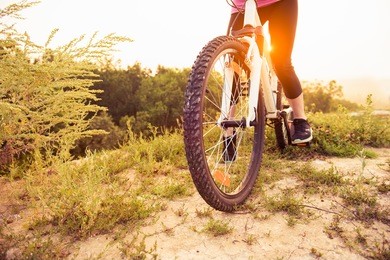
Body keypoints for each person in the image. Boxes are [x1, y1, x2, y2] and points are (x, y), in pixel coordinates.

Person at [228, 0, 313, 144]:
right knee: (234, 63)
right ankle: (228, 126)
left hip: (280, 3)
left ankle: (300, 119)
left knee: (281, 61)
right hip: (242, 4)